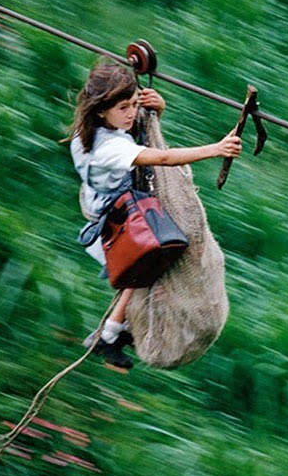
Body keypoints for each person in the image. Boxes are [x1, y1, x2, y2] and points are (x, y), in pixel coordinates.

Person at [68, 62, 242, 369]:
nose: (131, 113)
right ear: (100, 111)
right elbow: (160, 157)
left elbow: (139, 137)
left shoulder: (96, 131)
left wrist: (155, 111)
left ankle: (114, 331)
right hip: (116, 221)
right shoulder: (108, 149)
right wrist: (216, 149)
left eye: (135, 103)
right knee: (149, 261)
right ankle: (110, 334)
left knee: (139, 276)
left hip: (113, 202)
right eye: (123, 107)